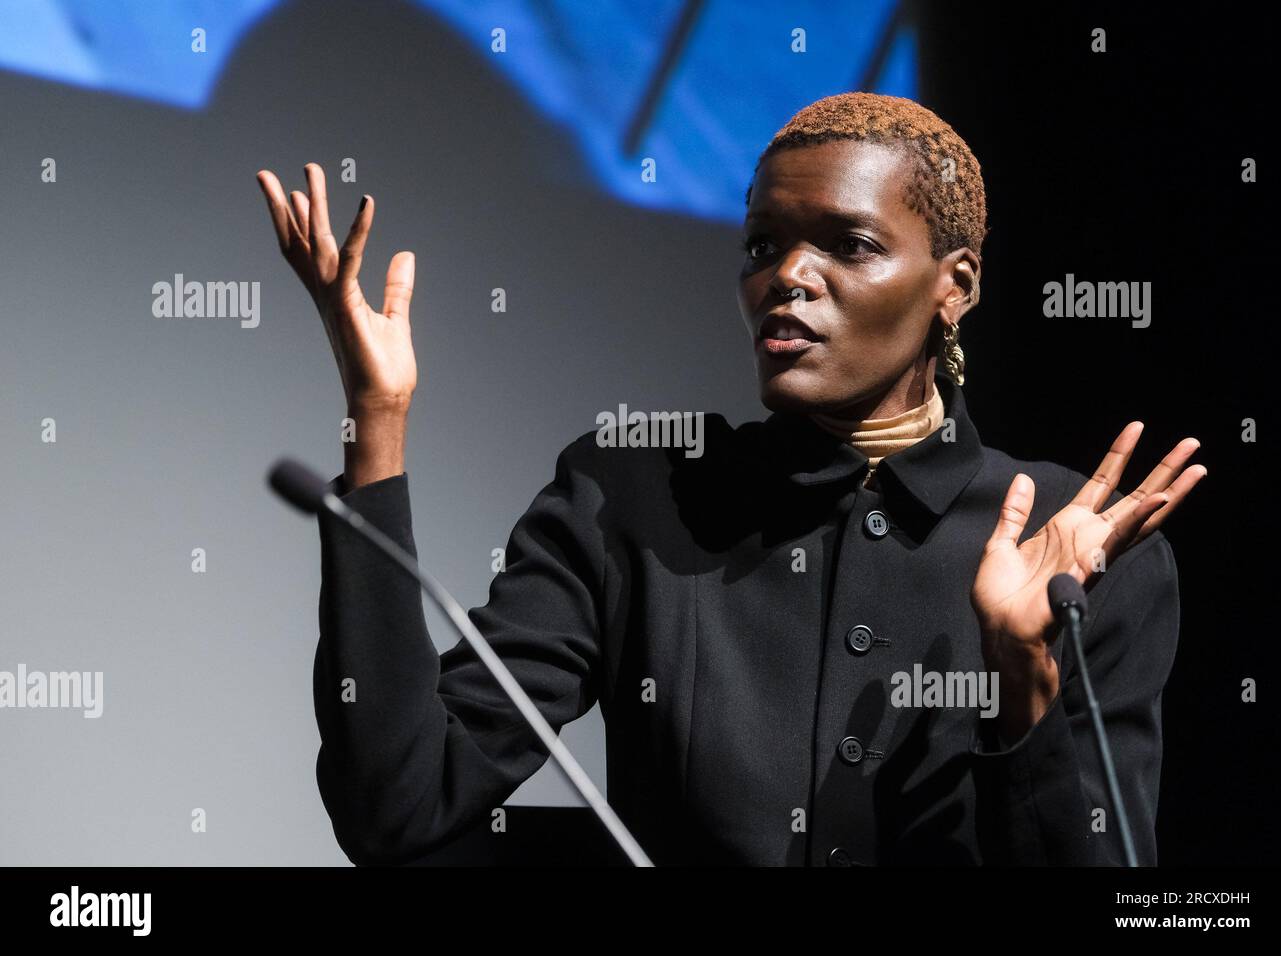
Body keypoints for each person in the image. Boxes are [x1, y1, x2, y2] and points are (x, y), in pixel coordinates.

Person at [255, 91, 1205, 866]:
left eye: (849, 244)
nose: (787, 273)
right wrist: (375, 422)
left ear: (954, 285)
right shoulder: (630, 498)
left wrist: (1021, 678)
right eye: (763, 244)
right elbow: (399, 806)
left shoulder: (1077, 548)